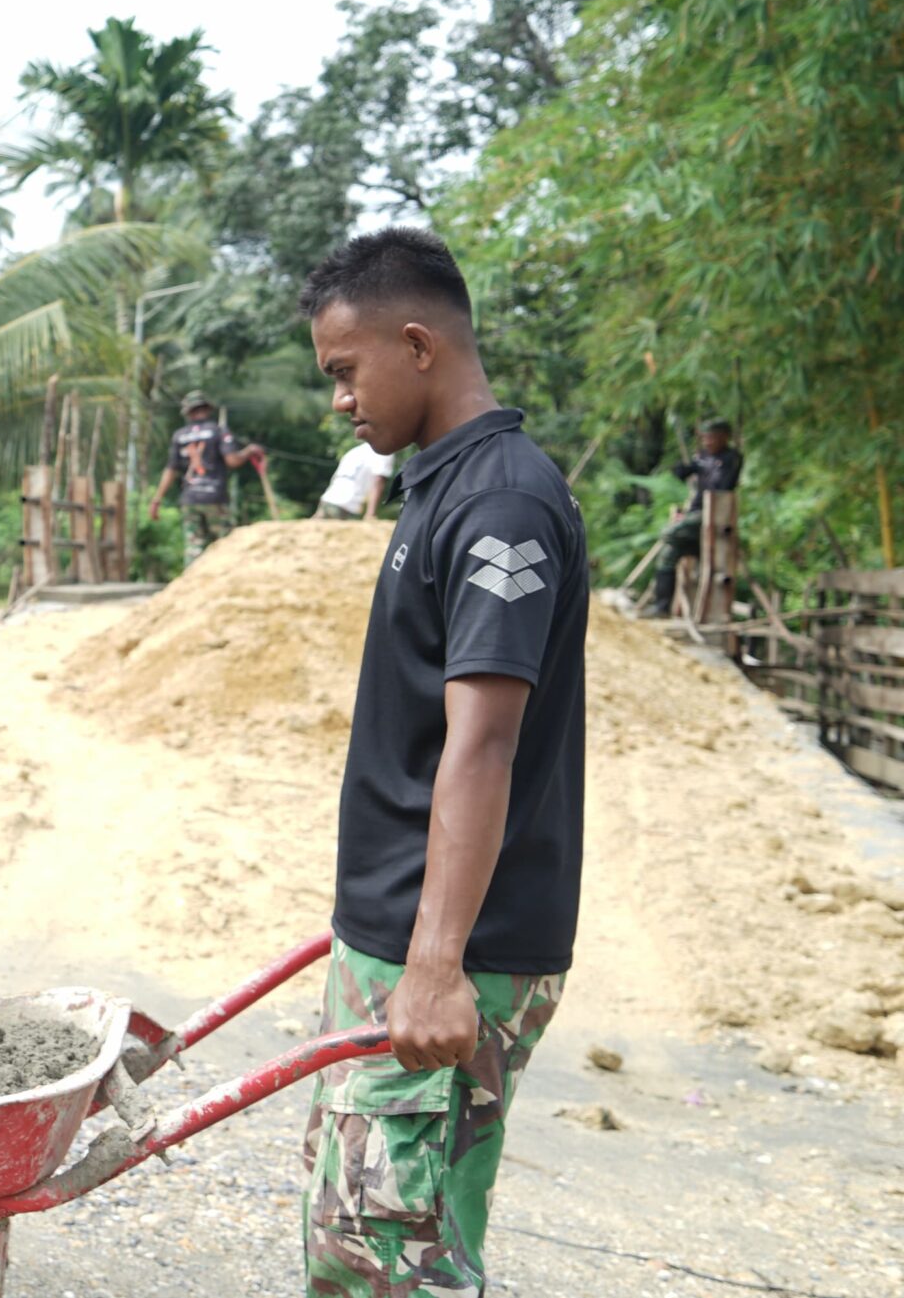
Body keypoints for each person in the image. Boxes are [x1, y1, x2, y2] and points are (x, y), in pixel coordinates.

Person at [297, 227, 586, 1296]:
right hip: (403, 931)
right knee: (359, 1231)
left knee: (392, 1256)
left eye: (345, 370)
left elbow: (483, 740)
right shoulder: (444, 484)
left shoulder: (501, 505)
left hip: (454, 950)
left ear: (417, 344)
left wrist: (431, 961)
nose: (339, 400)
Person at [148, 390, 265, 563]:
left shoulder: (179, 436)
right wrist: (249, 451)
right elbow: (232, 461)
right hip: (214, 497)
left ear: (188, 412)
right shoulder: (219, 431)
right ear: (208, 409)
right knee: (225, 545)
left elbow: (170, 469)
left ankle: (193, 577)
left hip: (190, 499)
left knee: (194, 548)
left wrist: (157, 499)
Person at [641, 418, 743, 616]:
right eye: (705, 437)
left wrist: (704, 465)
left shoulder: (731, 458)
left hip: (713, 516)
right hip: (695, 515)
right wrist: (689, 466)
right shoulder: (703, 456)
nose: (707, 442)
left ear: (724, 437)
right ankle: (662, 607)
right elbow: (680, 473)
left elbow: (722, 486)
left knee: (670, 533)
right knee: (667, 555)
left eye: (711, 437)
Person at [316, 440, 395, 521]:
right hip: (348, 505)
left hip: (328, 499)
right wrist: (371, 513)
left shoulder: (354, 451)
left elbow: (335, 478)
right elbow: (378, 481)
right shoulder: (383, 452)